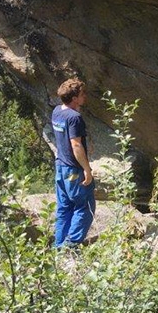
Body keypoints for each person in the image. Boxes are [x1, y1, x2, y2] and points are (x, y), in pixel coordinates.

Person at [51, 78, 95, 248]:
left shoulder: (57, 112)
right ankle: (71, 246)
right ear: (75, 97)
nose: (85, 97)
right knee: (85, 207)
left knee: (64, 208)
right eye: (82, 94)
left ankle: (59, 246)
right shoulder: (74, 117)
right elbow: (76, 144)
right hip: (73, 170)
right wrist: (87, 169)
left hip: (60, 167)